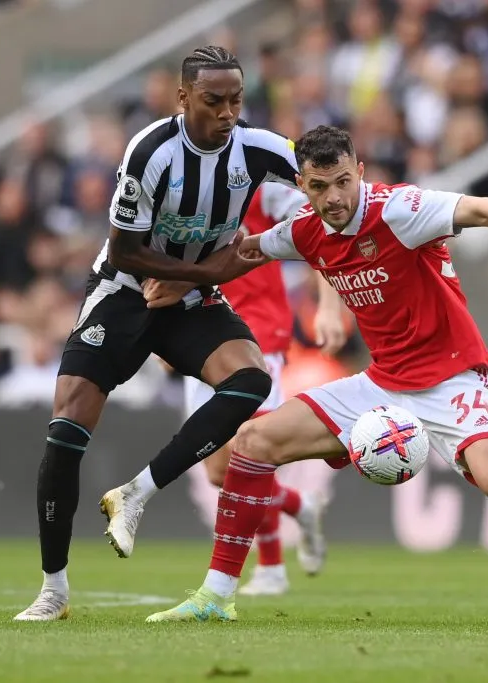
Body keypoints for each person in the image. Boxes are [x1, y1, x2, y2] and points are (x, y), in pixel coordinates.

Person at [140, 125, 488, 628]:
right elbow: (246, 253)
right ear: (302, 186)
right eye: (319, 187)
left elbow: (482, 208)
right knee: (252, 442)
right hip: (383, 381)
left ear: (359, 172)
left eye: (343, 181)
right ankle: (217, 597)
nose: (334, 197)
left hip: (452, 377)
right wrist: (181, 281)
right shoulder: (306, 230)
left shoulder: (400, 210)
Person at [14, 46, 304, 621]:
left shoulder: (262, 149)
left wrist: (198, 280)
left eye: (236, 102)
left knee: (251, 379)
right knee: (66, 427)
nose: (226, 113)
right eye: (213, 100)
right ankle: (53, 589)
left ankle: (137, 493)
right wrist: (194, 273)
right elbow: (124, 248)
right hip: (124, 289)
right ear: (183, 98)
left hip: (190, 297)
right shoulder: (150, 150)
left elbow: (326, 181)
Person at [177, 183, 346, 596]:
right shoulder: (179, 188)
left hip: (257, 331)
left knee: (254, 448)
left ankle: (271, 568)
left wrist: (327, 305)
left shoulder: (260, 187)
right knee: (219, 471)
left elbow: (318, 226)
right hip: (200, 333)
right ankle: (297, 505)